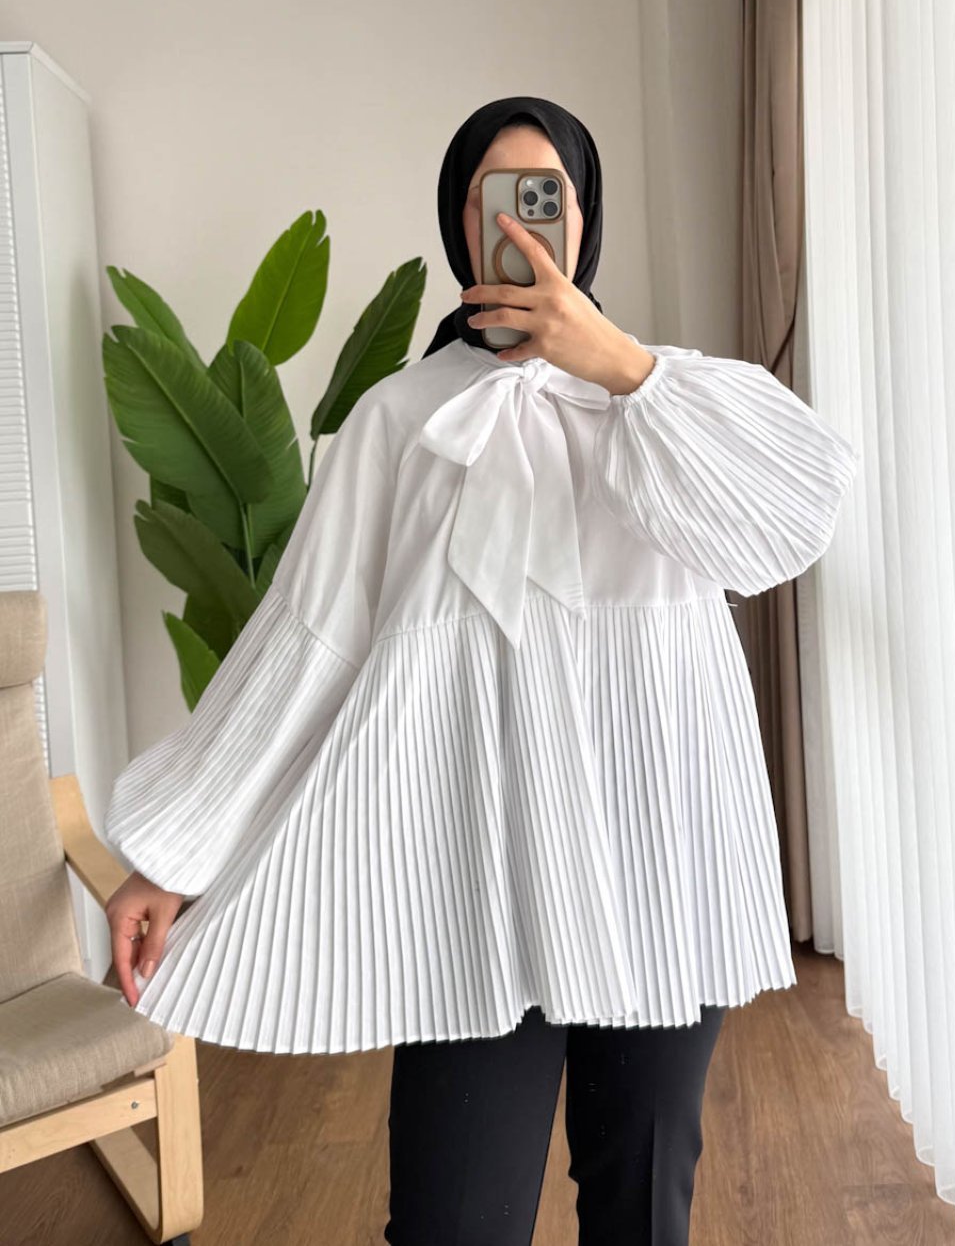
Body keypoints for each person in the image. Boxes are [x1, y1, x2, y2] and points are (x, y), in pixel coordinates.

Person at [104, 96, 861, 1244]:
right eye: (489, 197)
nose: (515, 224)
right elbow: (306, 646)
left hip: (660, 860)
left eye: (543, 196)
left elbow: (794, 515)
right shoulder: (396, 420)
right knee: (451, 1221)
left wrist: (622, 368)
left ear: (583, 217)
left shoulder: (673, 399)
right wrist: (172, 853)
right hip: (475, 880)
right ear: (457, 221)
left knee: (642, 1209)